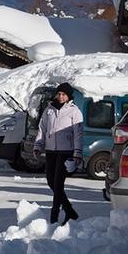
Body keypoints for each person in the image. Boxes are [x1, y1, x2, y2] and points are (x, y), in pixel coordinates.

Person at [33, 82, 83, 225]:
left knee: (58, 184)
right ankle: (69, 210)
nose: (61, 97)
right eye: (59, 94)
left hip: (66, 151)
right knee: (51, 181)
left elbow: (78, 134)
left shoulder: (74, 111)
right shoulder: (49, 110)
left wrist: (77, 153)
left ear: (69, 96)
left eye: (64, 94)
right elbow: (42, 129)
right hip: (51, 151)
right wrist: (38, 145)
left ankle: (54, 216)